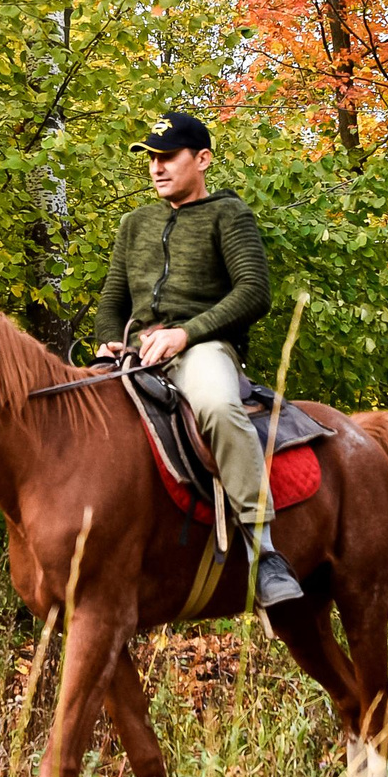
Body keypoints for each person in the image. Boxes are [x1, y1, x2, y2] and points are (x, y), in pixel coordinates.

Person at [93, 112, 304, 609]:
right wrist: (108, 340)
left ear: (202, 159)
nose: (157, 168)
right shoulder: (135, 223)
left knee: (214, 404)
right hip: (136, 351)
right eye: (151, 159)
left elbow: (254, 292)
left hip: (204, 348)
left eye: (168, 157)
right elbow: (112, 299)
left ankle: (264, 550)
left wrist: (186, 333)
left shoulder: (229, 216)